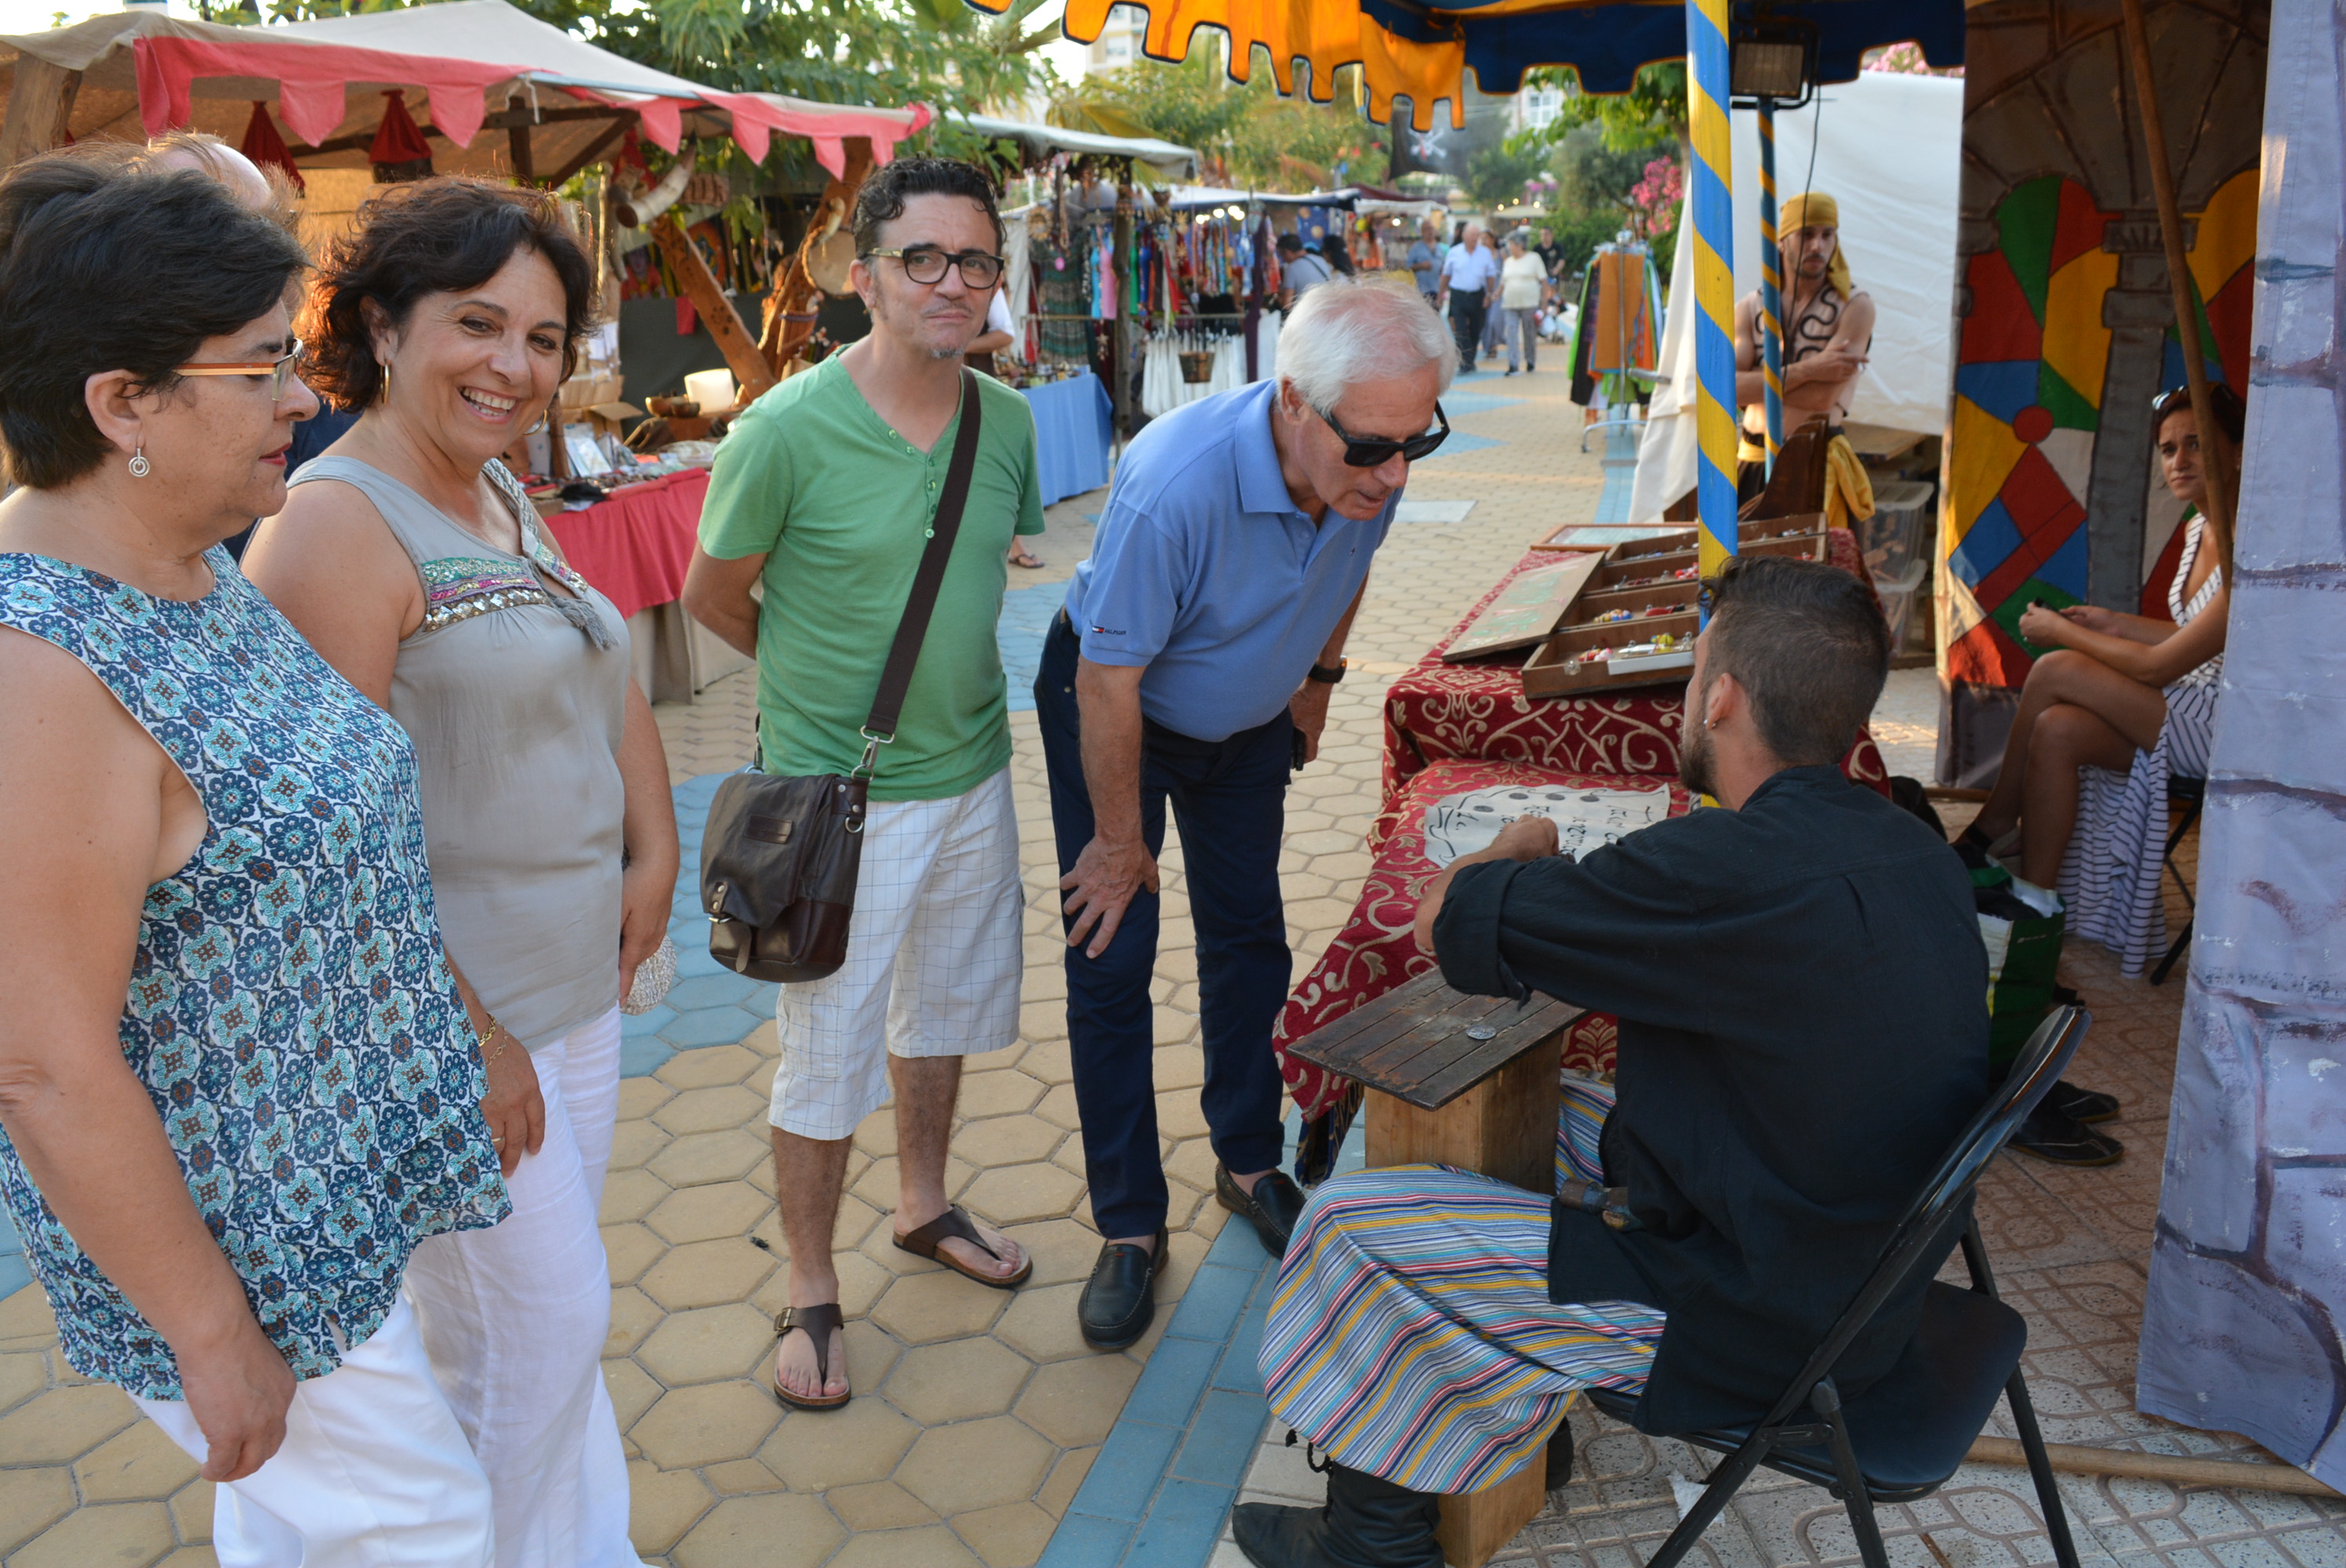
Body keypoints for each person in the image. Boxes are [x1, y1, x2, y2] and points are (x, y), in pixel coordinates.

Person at [1232, 555, 1988, 1568]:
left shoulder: (1719, 870)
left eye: (1690, 677)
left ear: (1720, 696)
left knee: (1349, 1232)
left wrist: (1523, 838)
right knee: (1549, 1113)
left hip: (1755, 1323)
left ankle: (1375, 1544)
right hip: (1853, 1263)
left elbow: (1441, 920)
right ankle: (1503, 1427)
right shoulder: (1913, 847)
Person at [0, 153, 508, 1566]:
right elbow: (40, 1060)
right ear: (123, 407)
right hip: (248, 1254)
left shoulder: (189, 561)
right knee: (428, 1528)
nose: (304, 396)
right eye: (264, 366)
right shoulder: (42, 670)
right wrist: (210, 1336)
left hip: (323, 1207)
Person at [242, 177, 674, 1568]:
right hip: (461, 1030)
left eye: (543, 339)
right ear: (380, 324)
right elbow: (317, 847)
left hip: (573, 999)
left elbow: (599, 666)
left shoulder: (490, 485)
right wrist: (459, 1035)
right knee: (531, 1339)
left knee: (545, 1339)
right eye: (477, 325)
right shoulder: (331, 525)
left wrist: (652, 843)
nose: (515, 367)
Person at [682, 156, 1044, 1410]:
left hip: (979, 778)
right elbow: (715, 602)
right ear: (863, 273)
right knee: (825, 1049)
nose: (953, 283)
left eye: (977, 260)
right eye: (923, 259)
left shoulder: (1010, 420)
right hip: (836, 803)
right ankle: (810, 1286)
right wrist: (816, 707)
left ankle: (924, 1204)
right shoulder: (780, 433)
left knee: (941, 1013)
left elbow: (997, 574)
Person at [1040, 275, 1455, 1348]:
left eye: (1420, 441)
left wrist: (1317, 681)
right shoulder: (1172, 483)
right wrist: (1121, 841)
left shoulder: (1372, 455)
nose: (1397, 472)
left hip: (1251, 720)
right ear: (1289, 404)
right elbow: (1106, 679)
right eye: (1372, 447)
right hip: (1117, 706)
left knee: (1249, 938)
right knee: (1113, 948)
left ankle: (1247, 1159)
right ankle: (1129, 1226)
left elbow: (1350, 561)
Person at [1733, 191, 1875, 495]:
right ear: (1782, 240)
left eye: (1827, 235)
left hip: (1816, 466)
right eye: (1806, 234)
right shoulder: (1749, 307)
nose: (1817, 246)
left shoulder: (1855, 306)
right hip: (1752, 461)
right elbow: (1727, 390)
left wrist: (1758, 385)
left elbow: (1822, 399)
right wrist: (1812, 369)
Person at [1436, 222, 1499, 376]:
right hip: (1458, 295)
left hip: (1478, 295)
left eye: (1476, 235)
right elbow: (1446, 275)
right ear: (1464, 236)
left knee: (1476, 330)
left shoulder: (1484, 253)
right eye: (1472, 235)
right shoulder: (1454, 252)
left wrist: (1489, 294)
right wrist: (1441, 296)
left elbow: (1491, 276)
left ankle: (1469, 361)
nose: (1474, 238)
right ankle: (1465, 362)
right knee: (1460, 329)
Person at [1498, 230, 1550, 376]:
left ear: (1520, 245)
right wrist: (1496, 294)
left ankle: (1530, 361)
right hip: (1510, 303)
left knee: (1529, 334)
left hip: (1530, 303)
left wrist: (1544, 305)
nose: (1509, 248)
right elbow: (1503, 282)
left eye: (1511, 244)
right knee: (1512, 333)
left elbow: (1544, 281)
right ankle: (1513, 364)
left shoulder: (1534, 258)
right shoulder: (1508, 262)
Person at [1276, 231, 1334, 306]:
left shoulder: (1292, 268)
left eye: (1282, 256)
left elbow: (1287, 303)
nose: (1283, 259)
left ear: (1288, 252)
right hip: (1326, 307)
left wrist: (1279, 299)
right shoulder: (1321, 260)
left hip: (1308, 311)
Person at [1404, 216, 1443, 304]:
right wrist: (1421, 266)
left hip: (1437, 289)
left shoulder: (1439, 247)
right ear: (1422, 231)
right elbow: (1408, 266)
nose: (1430, 231)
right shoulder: (1416, 248)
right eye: (1427, 229)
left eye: (1431, 228)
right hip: (1422, 290)